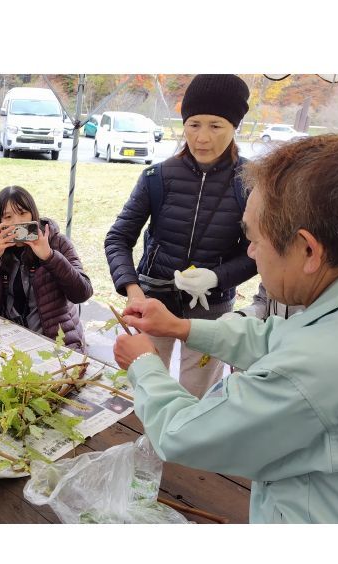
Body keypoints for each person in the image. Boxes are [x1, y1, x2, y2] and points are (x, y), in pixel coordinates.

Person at [114, 134, 338, 523]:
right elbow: (280, 336)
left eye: (253, 238)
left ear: (308, 251)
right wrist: (182, 327)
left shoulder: (318, 365)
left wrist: (145, 364)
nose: (249, 253)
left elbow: (184, 434)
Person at [104, 74, 257, 398]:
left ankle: (187, 449)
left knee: (198, 392)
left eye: (216, 126)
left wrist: (215, 278)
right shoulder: (156, 177)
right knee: (146, 386)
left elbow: (258, 251)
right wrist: (133, 291)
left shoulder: (249, 182)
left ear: (234, 127)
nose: (202, 137)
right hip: (153, 299)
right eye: (194, 124)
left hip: (212, 310)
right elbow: (118, 237)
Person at [0, 186, 93, 351]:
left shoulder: (57, 242)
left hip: (57, 342)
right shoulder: (0, 248)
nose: (17, 222)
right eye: (8, 217)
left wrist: (50, 256)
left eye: (22, 213)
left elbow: (82, 293)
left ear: (33, 214)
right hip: (11, 340)